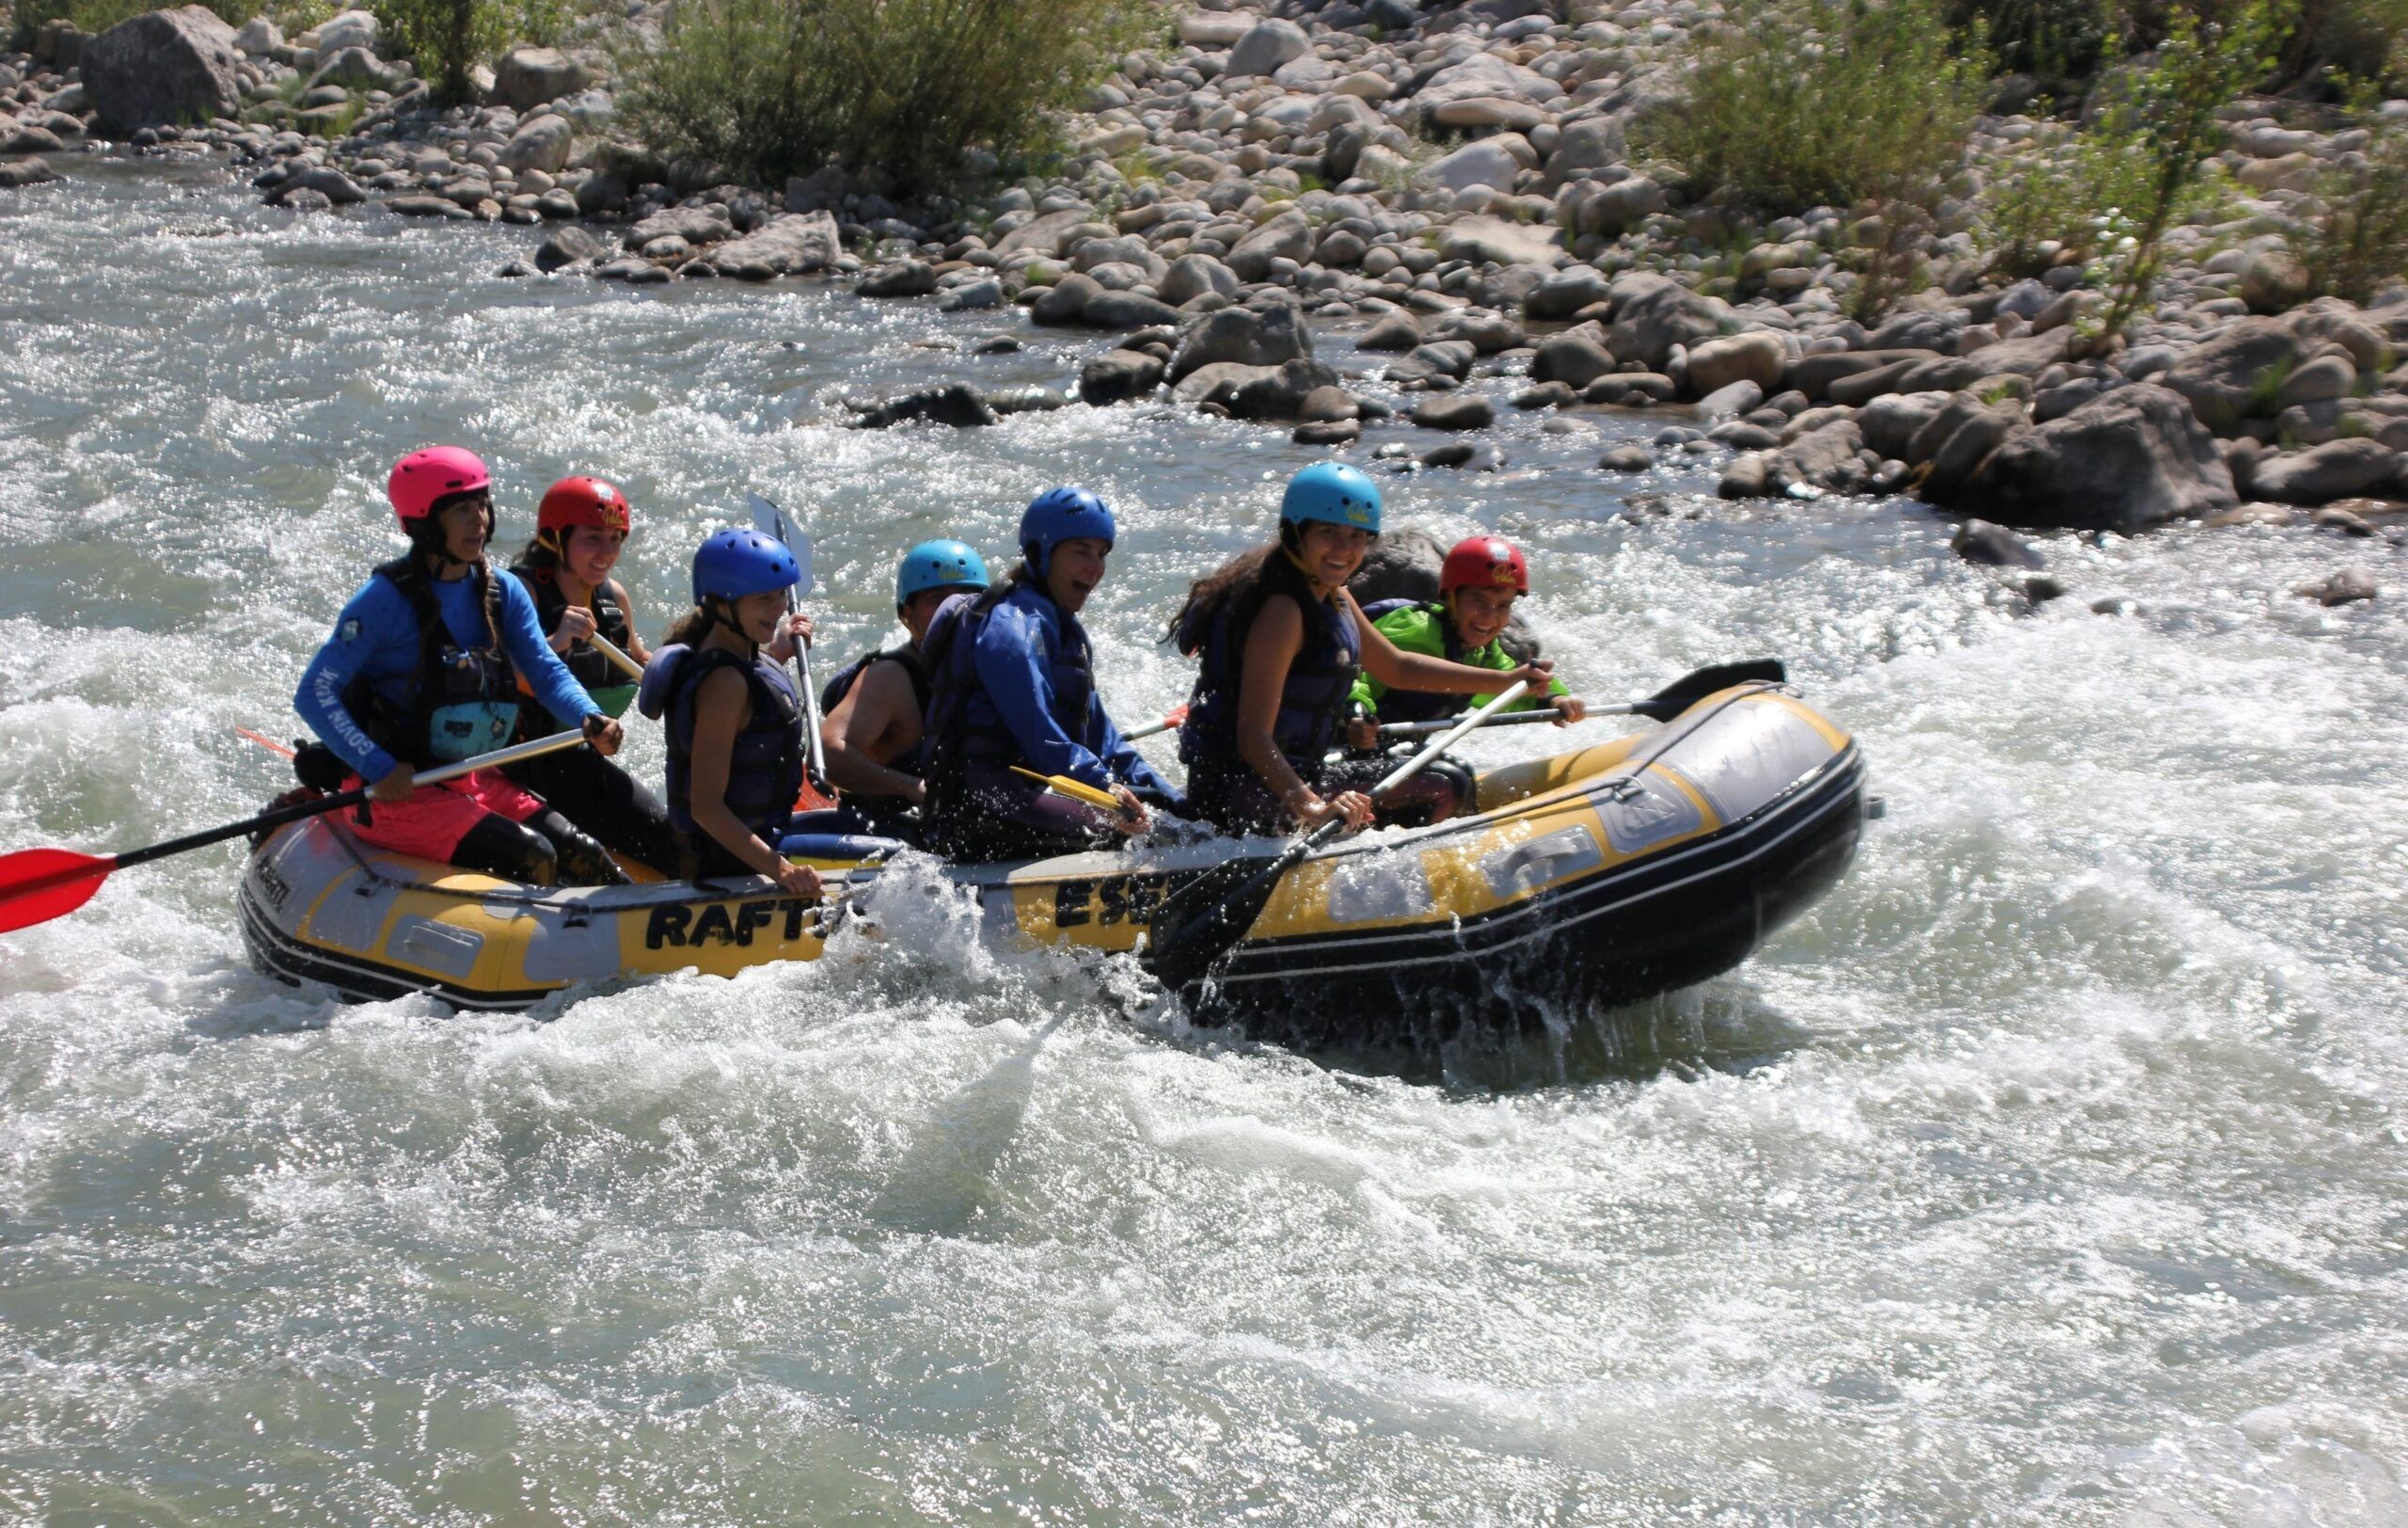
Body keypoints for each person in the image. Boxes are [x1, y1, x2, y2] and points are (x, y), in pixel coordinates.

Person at [293, 446, 628, 885]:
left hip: (468, 779)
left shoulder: (501, 591)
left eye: (482, 505)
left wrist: (589, 715)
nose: (480, 520)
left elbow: (545, 670)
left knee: (584, 855)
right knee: (533, 856)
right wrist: (378, 767)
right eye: (461, 510)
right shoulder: (382, 601)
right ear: (425, 521)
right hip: (398, 792)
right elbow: (315, 693)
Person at [1169, 463, 1553, 836]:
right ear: (1295, 531)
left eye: (1357, 536)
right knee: (1444, 785)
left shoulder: (1333, 595)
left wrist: (1506, 679)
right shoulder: (1282, 611)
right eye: (1329, 532)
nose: (1344, 549)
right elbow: (1252, 738)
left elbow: (1397, 667)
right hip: (1242, 793)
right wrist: (1313, 807)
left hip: (1287, 777)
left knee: (1447, 772)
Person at [918, 487, 1184, 862]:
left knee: (1177, 823)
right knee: (1146, 836)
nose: (1096, 568)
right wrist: (1104, 785)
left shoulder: (1057, 627)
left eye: (1102, 553)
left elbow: (1106, 742)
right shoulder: (1013, 625)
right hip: (982, 801)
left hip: (1032, 790)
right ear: (1039, 553)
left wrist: (1175, 800)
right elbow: (1038, 735)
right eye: (1081, 551)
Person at [499, 475, 684, 876]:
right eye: (592, 538)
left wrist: (690, 674)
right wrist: (557, 640)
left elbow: (634, 659)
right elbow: (498, 678)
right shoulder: (522, 593)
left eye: (615, 539)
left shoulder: (613, 598)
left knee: (672, 842)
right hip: (513, 763)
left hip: (576, 760)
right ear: (555, 538)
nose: (607, 552)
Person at [639, 528, 820, 896]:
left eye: (781, 595)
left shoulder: (736, 655)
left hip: (763, 833)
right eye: (764, 599)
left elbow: (755, 696)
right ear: (722, 604)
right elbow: (706, 807)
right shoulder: (725, 685)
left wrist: (778, 651)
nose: (780, 607)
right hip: (728, 862)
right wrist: (782, 871)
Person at [812, 538, 990, 843]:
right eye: (936, 598)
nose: (954, 608)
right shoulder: (890, 677)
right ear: (906, 614)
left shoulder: (990, 667)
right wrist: (911, 787)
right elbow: (827, 755)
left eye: (968, 596)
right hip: (887, 832)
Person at [1343, 535, 1586, 746]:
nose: (1490, 617)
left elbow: (1512, 691)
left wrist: (1554, 699)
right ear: (1450, 596)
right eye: (1478, 601)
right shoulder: (1414, 629)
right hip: (1337, 746)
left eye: (1503, 606)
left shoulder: (1481, 653)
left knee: (1451, 774)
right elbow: (1353, 674)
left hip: (1390, 751)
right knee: (1452, 779)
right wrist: (1357, 713)